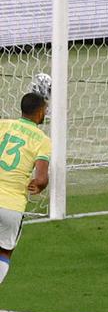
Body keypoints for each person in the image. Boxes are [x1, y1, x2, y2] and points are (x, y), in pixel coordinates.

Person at [0, 93, 51, 286]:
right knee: (4, 252)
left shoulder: (3, 125)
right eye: (45, 110)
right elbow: (41, 177)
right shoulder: (42, 139)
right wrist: (39, 185)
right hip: (12, 205)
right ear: (39, 112)